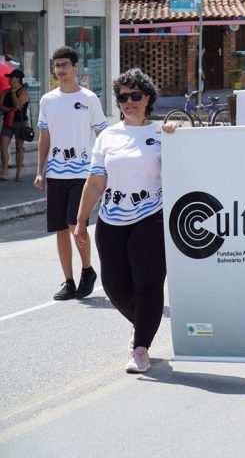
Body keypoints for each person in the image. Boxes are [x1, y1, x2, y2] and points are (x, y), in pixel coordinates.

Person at [74, 69, 167, 374]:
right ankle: (143, 325)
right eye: (123, 97)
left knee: (147, 285)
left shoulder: (163, 133)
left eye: (135, 95)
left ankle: (140, 347)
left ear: (147, 98)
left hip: (151, 216)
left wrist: (178, 136)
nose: (129, 102)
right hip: (111, 218)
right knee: (113, 285)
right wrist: (80, 219)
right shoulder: (109, 137)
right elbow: (95, 180)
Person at [34, 46, 106, 300]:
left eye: (65, 65)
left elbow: (102, 136)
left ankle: (87, 270)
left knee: (76, 224)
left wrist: (104, 168)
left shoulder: (89, 99)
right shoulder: (47, 100)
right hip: (56, 173)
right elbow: (45, 137)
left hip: (82, 174)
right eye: (56, 65)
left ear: (76, 67)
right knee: (60, 229)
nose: (60, 70)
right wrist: (40, 170)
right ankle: (68, 281)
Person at [1, 69, 30, 182]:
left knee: (19, 148)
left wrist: (13, 93)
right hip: (8, 121)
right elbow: (0, 106)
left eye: (11, 77)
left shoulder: (24, 92)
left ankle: (18, 173)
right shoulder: (5, 92)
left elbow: (18, 106)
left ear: (17, 79)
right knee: (3, 146)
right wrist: (9, 109)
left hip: (20, 123)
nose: (9, 79)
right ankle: (5, 172)